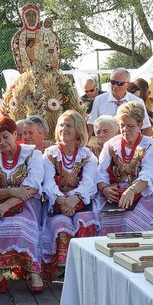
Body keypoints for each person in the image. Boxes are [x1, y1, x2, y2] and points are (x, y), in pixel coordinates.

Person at [0, 117, 44, 294]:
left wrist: (7, 203)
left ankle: (34, 272)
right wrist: (13, 192)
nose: (2, 142)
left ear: (15, 134)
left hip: (26, 205)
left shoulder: (32, 154)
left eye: (5, 137)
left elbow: (32, 187)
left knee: (21, 225)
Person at [41, 111, 98, 281]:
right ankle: (65, 272)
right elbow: (49, 183)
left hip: (80, 202)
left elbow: (88, 183)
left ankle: (85, 270)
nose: (63, 129)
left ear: (78, 131)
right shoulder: (50, 154)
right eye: (61, 125)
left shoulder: (87, 155)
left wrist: (74, 199)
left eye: (68, 126)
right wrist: (62, 200)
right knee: (62, 227)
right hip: (57, 203)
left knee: (84, 224)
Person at [96, 102, 153, 234]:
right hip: (114, 197)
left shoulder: (149, 146)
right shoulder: (111, 145)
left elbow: (148, 175)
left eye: (130, 126)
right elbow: (100, 174)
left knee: (129, 221)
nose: (125, 129)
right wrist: (105, 188)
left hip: (142, 195)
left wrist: (132, 190)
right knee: (101, 220)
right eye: (122, 126)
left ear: (140, 126)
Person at [88, 68, 152, 136]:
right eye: (113, 82)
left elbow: (147, 127)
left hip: (130, 145)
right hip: (106, 144)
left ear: (128, 85)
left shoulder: (137, 102)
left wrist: (140, 145)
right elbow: (91, 125)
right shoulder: (99, 100)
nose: (115, 86)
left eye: (119, 83)